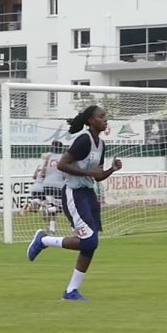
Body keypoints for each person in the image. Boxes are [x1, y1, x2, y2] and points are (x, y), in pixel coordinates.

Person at [26, 106, 122, 301]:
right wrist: (88, 173)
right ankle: (44, 240)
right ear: (90, 120)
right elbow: (62, 164)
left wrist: (112, 169)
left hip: (88, 194)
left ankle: (71, 291)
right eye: (101, 116)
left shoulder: (101, 144)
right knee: (89, 241)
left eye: (105, 116)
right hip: (74, 193)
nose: (105, 119)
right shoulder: (84, 140)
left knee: (90, 245)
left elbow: (97, 176)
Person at [41, 141, 66, 234]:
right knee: (62, 207)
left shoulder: (49, 157)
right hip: (58, 185)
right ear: (62, 148)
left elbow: (42, 172)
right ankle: (47, 210)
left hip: (47, 184)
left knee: (52, 206)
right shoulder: (64, 157)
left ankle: (52, 228)